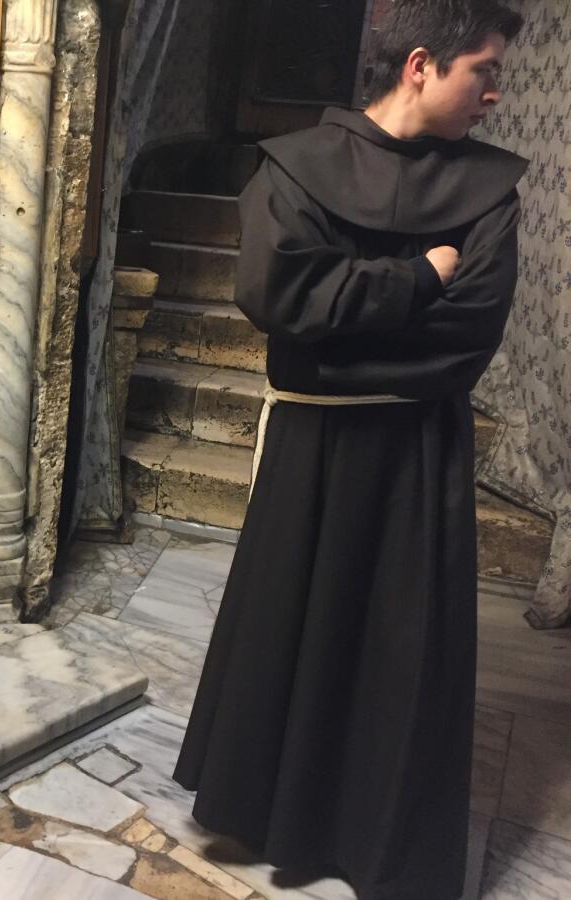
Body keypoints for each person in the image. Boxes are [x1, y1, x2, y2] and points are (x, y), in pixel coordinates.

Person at [171, 2, 527, 898]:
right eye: (482, 69)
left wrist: (338, 330)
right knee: (299, 622)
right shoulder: (295, 166)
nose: (496, 90)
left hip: (415, 457)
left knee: (398, 651)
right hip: (316, 451)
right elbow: (275, 297)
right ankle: (268, 816)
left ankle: (376, 842)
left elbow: (467, 336)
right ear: (419, 66)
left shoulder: (490, 190)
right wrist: (415, 277)